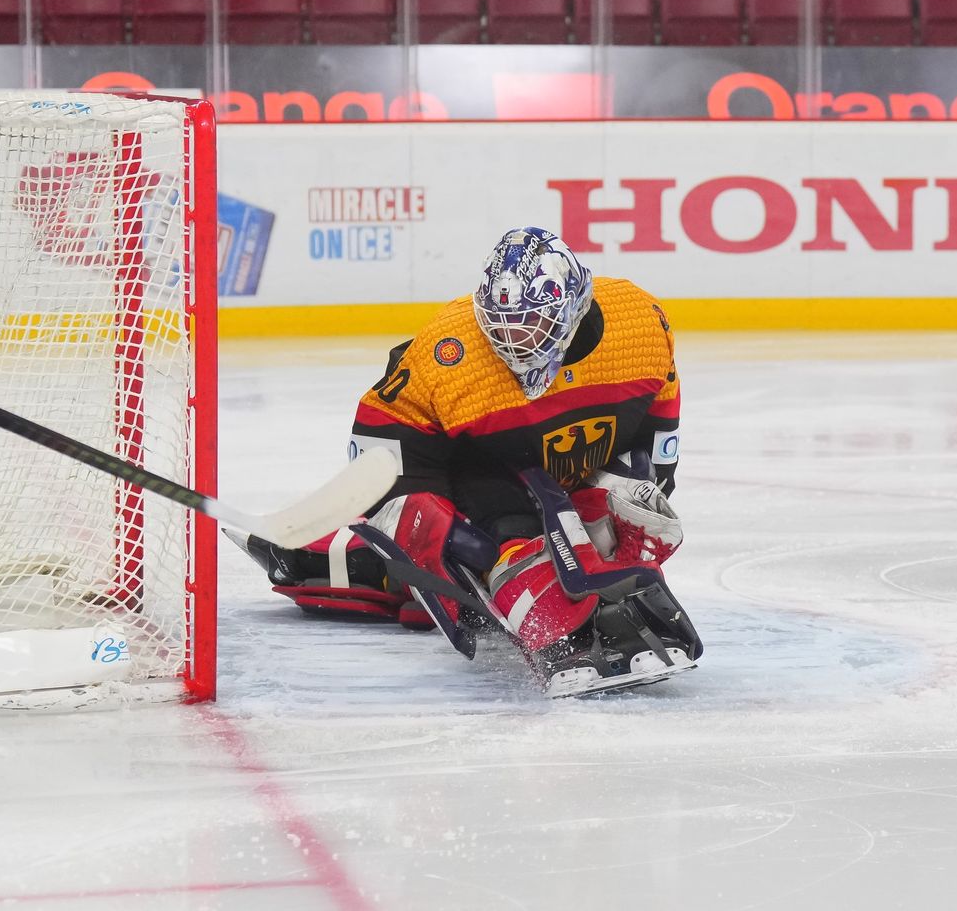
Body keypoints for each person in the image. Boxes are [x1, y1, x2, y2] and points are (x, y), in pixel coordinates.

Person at [231, 227, 698, 698]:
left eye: (530, 325)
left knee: (626, 506)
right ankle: (357, 562)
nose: (514, 341)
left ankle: (601, 590)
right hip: (483, 473)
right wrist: (430, 525)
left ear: (573, 308)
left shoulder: (637, 323)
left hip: (575, 472)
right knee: (501, 547)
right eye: (502, 326)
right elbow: (379, 448)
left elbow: (658, 423)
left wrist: (646, 484)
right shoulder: (450, 351)